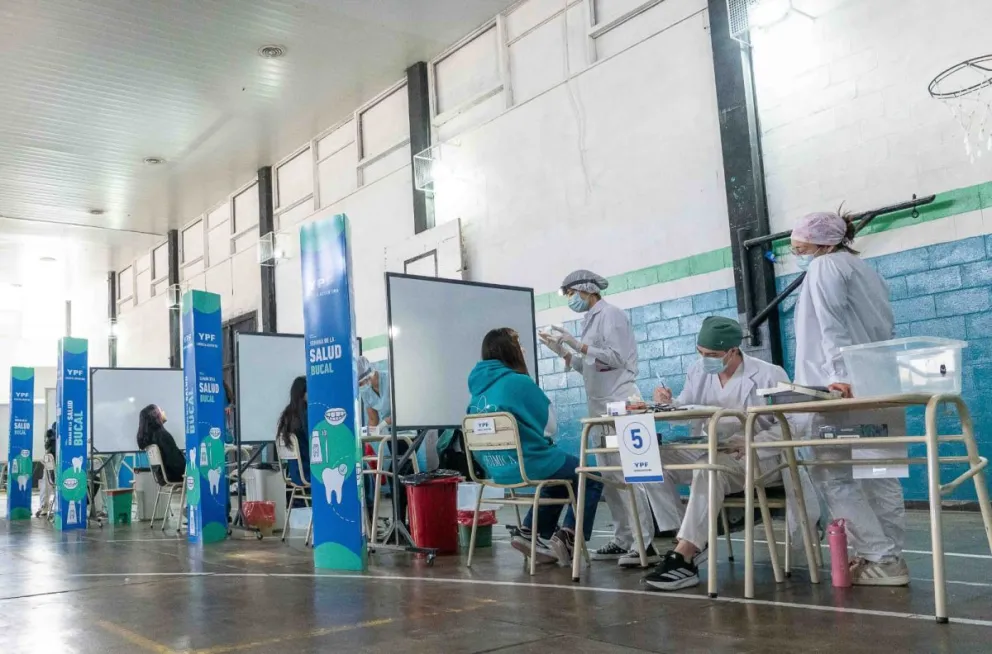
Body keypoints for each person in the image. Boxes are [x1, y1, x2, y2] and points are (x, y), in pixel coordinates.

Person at [641, 317, 818, 590]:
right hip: (714, 447)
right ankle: (685, 539)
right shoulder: (698, 371)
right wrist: (667, 402)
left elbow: (794, 426)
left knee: (707, 467)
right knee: (650, 461)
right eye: (700, 352)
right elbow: (685, 410)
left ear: (733, 350)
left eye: (712, 355)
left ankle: (685, 555)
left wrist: (750, 441)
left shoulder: (770, 374)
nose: (705, 360)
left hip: (758, 455)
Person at [790, 210, 908, 586]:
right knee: (881, 474)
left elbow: (831, 324)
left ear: (823, 243)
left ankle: (877, 554)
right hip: (879, 383)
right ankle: (890, 560)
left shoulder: (824, 267)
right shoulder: (867, 271)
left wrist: (839, 375)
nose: (796, 250)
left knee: (832, 474)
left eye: (800, 244)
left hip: (840, 389)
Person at [539, 269, 682, 567]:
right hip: (599, 408)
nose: (570, 299)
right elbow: (591, 367)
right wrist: (564, 352)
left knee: (632, 475)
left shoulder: (612, 315)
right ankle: (623, 538)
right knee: (609, 476)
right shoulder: (589, 320)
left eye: (571, 293)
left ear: (587, 289)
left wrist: (577, 345)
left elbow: (617, 358)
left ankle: (644, 543)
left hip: (622, 404)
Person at [468, 327, 604, 565]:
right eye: (518, 344)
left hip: (496, 469)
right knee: (591, 476)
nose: (523, 349)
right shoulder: (519, 382)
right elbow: (550, 426)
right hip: (528, 463)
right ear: (509, 350)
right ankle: (569, 537)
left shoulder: (477, 391)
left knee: (558, 479)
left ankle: (529, 532)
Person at [136, 404, 186, 484]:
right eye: (160, 410)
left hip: (161, 477)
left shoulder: (151, 437)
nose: (163, 412)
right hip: (173, 475)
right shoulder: (163, 436)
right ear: (156, 416)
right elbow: (176, 463)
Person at [276, 376, 310, 488]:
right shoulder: (306, 414)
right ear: (302, 394)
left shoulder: (287, 414)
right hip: (308, 473)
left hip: (295, 474)